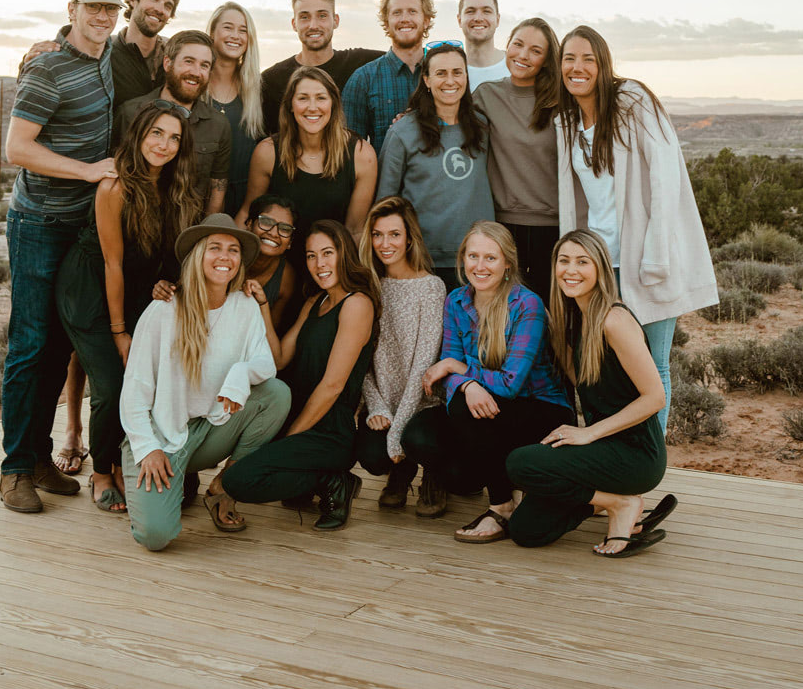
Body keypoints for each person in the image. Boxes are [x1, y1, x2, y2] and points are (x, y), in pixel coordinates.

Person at [0, 0, 121, 514]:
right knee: (29, 344)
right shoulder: (47, 68)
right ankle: (14, 471)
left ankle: (40, 456)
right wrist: (89, 172)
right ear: (72, 9)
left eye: (109, 8)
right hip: (39, 222)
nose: (102, 16)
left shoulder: (105, 56)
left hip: (79, 226)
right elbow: (17, 148)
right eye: (93, 8)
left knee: (57, 345)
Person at [557, 25, 718, 429]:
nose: (577, 67)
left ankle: (651, 460)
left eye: (587, 58)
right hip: (600, 263)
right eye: (569, 59)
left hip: (644, 256)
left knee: (654, 363)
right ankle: (617, 452)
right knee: (607, 365)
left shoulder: (633, 101)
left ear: (603, 63)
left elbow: (667, 179)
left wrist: (657, 251)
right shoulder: (568, 122)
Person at [52, 101, 200, 512]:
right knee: (113, 381)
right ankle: (102, 472)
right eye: (156, 133)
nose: (164, 144)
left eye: (174, 138)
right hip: (88, 290)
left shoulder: (174, 187)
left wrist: (163, 282)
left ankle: (126, 460)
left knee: (144, 377)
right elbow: (112, 262)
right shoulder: (114, 186)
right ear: (138, 135)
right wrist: (119, 332)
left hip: (131, 288)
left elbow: (159, 255)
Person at [119, 215, 291, 551]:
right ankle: (144, 481)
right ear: (198, 255)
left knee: (276, 395)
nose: (224, 257)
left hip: (212, 429)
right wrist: (147, 447)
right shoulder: (163, 309)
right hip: (161, 438)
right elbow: (134, 390)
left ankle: (222, 490)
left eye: (233, 250)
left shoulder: (245, 307)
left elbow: (266, 364)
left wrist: (240, 374)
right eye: (215, 248)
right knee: (155, 536)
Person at [400, 222, 574, 542]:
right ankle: (482, 479)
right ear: (463, 258)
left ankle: (501, 506)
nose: (479, 266)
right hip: (489, 405)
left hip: (541, 409)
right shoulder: (456, 301)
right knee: (418, 435)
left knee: (468, 410)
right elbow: (451, 379)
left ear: (508, 262)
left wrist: (458, 369)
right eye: (473, 256)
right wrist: (467, 383)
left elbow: (510, 384)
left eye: (490, 258)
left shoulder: (526, 304)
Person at [506, 230, 671, 558]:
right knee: (527, 529)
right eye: (564, 261)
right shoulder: (571, 321)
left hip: (636, 453)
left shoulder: (614, 319)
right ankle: (606, 502)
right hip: (602, 450)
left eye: (583, 262)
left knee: (520, 463)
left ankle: (622, 503)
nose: (571, 270)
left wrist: (588, 433)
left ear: (601, 269)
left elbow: (655, 397)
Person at [221, 221, 378, 531]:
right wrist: (263, 304)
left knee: (238, 480)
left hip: (328, 431)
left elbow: (333, 387)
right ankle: (311, 483)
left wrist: (290, 438)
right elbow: (279, 358)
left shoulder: (357, 304)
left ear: (343, 253)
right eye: (311, 255)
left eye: (327, 253)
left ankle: (333, 481)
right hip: (296, 416)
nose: (319, 264)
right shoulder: (314, 301)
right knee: (251, 463)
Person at [237, 67, 376, 289]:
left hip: (330, 271)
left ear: (333, 104)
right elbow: (247, 214)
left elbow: (355, 231)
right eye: (303, 98)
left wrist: (354, 286)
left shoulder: (361, 154)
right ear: (291, 106)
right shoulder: (267, 152)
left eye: (321, 98)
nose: (312, 107)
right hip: (278, 270)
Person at [376, 42, 493, 291]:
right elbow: (385, 202)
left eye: (457, 72)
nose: (450, 80)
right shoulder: (403, 131)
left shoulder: (483, 127)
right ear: (426, 80)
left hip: (479, 260)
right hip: (423, 260)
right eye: (441, 73)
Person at [356, 197, 447, 514]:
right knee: (371, 457)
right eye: (378, 234)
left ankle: (434, 476)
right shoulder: (370, 286)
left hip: (424, 401)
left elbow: (424, 362)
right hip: (384, 399)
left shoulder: (431, 287)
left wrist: (397, 432)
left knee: (417, 439)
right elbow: (361, 360)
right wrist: (377, 405)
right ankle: (400, 471)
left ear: (409, 237)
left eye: (394, 234)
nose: (385, 243)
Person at [474, 18, 561, 302]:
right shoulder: (486, 95)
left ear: (547, 60)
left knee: (548, 318)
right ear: (507, 45)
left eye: (535, 51)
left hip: (552, 228)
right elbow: (449, 125)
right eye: (518, 44)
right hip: (502, 227)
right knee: (505, 316)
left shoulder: (559, 101)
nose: (523, 55)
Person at [19, 0, 181, 109]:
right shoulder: (102, 52)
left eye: (168, 5)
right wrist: (27, 63)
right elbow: (59, 73)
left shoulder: (173, 58)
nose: (160, 9)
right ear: (133, 0)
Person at [115, 30, 230, 218]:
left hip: (186, 235)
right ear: (168, 63)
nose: (195, 72)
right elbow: (112, 176)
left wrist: (203, 238)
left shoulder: (218, 125)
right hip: (132, 229)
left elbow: (217, 190)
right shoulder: (130, 113)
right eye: (189, 61)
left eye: (204, 65)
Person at [260, 0, 380, 132]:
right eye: (304, 17)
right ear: (294, 24)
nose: (313, 25)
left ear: (335, 21)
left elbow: (403, 57)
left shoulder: (359, 63)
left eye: (322, 16)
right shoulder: (271, 80)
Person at [342, 0, 435, 154]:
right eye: (397, 13)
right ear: (386, 22)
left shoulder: (444, 75)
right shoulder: (363, 79)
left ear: (426, 20)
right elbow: (350, 153)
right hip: (384, 179)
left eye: (412, 11)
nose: (405, 19)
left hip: (439, 179)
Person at [205, 1, 265, 215]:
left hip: (245, 201)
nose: (236, 36)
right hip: (196, 195)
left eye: (243, 30)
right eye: (228, 27)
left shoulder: (257, 89)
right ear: (212, 32)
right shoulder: (194, 83)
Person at [244, 194, 298, 335]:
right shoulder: (229, 257)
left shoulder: (286, 277)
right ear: (249, 224)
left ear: (290, 242)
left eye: (285, 229)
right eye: (266, 222)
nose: (274, 233)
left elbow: (269, 334)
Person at [457, 0, 507, 92]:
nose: (478, 18)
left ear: (497, 19)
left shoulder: (515, 67)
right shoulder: (450, 72)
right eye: (470, 11)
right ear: (459, 20)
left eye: (486, 11)